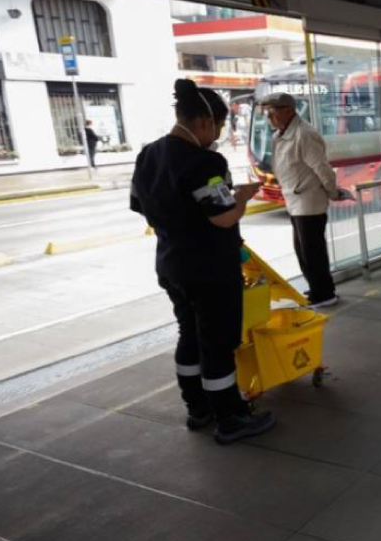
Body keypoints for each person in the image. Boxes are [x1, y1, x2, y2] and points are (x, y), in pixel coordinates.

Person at [130, 79, 276, 445]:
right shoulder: (207, 160)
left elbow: (140, 206)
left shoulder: (148, 154)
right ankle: (230, 417)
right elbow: (222, 217)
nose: (218, 135)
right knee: (217, 343)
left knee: (189, 335)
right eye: (220, 127)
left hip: (172, 265)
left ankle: (198, 408)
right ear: (204, 123)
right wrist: (241, 197)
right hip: (211, 269)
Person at [261, 93, 349, 309]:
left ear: (288, 110)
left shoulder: (304, 134)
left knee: (313, 252)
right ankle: (317, 288)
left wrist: (333, 192)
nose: (269, 117)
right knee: (303, 250)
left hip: (309, 200)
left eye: (272, 112)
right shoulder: (280, 134)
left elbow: (322, 168)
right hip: (294, 199)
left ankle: (325, 294)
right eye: (267, 113)